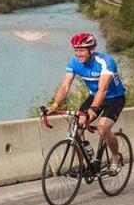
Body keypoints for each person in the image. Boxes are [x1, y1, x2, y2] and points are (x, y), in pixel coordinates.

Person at [45, 32, 126, 172]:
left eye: (81, 50)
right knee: (77, 126)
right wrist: (54, 105)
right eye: (76, 50)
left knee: (102, 128)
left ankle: (115, 157)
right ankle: (84, 162)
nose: (78, 54)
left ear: (91, 50)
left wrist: (94, 108)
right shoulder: (74, 63)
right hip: (94, 96)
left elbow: (103, 89)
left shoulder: (106, 62)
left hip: (114, 98)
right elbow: (65, 86)